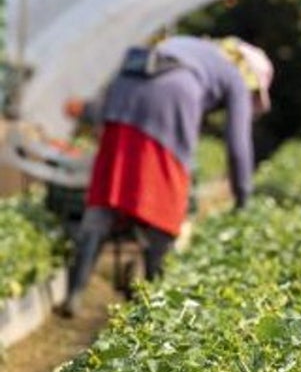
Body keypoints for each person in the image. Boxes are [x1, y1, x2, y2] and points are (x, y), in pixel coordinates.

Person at [56, 35, 273, 316]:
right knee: (162, 206)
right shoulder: (233, 76)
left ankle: (74, 294)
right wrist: (243, 196)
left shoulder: (190, 46)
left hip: (124, 90)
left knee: (108, 193)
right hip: (172, 100)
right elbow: (238, 145)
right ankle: (153, 309)